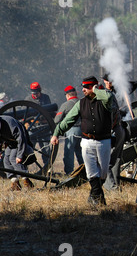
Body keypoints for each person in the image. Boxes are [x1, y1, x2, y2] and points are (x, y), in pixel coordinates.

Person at [50, 76, 113, 206]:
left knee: (103, 173)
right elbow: (68, 120)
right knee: (91, 172)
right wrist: (56, 133)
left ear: (94, 87)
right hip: (87, 141)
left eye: (87, 87)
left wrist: (96, 89)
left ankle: (94, 196)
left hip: (104, 141)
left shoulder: (105, 100)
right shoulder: (80, 103)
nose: (83, 90)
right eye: (83, 87)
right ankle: (98, 201)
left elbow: (108, 97)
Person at [0, 114, 35, 190]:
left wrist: (20, 155)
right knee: (6, 160)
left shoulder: (10, 123)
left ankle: (26, 182)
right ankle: (15, 183)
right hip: (11, 143)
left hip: (19, 142)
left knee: (13, 159)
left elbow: (21, 138)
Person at [101, 74, 125, 191]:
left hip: (113, 131)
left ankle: (113, 188)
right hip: (118, 129)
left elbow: (112, 113)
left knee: (105, 161)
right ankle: (115, 184)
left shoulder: (108, 94)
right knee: (114, 160)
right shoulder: (110, 93)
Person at [54, 85, 84, 175]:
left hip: (71, 130)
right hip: (83, 130)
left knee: (69, 153)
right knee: (81, 152)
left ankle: (69, 172)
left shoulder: (66, 104)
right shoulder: (82, 102)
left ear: (67, 95)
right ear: (75, 93)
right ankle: (85, 171)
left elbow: (57, 120)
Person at [25, 82, 52, 170]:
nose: (36, 95)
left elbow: (49, 111)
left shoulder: (46, 97)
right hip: (32, 127)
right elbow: (25, 115)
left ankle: (48, 169)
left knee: (46, 150)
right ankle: (24, 169)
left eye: (37, 92)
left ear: (40, 91)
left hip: (44, 127)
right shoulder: (28, 99)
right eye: (34, 93)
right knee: (28, 148)